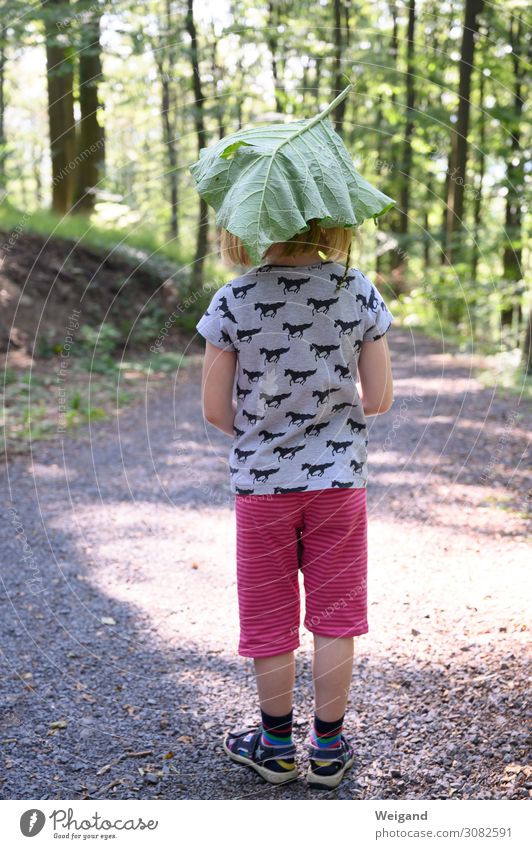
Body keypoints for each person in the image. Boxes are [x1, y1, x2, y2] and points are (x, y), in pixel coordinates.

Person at [194, 220, 395, 790]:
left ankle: (275, 746)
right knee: (336, 613)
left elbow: (214, 409)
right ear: (333, 218)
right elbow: (377, 399)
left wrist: (268, 435)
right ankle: (329, 751)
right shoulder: (356, 290)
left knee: (269, 613)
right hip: (340, 485)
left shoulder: (233, 298)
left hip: (262, 490)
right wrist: (327, 413)